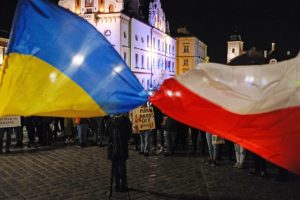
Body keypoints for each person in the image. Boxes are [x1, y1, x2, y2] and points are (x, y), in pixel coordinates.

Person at [106, 114, 132, 193]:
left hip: (117, 147)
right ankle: (120, 184)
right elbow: (129, 134)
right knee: (119, 167)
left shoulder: (111, 121)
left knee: (118, 167)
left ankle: (119, 184)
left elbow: (106, 133)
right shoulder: (123, 120)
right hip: (118, 147)